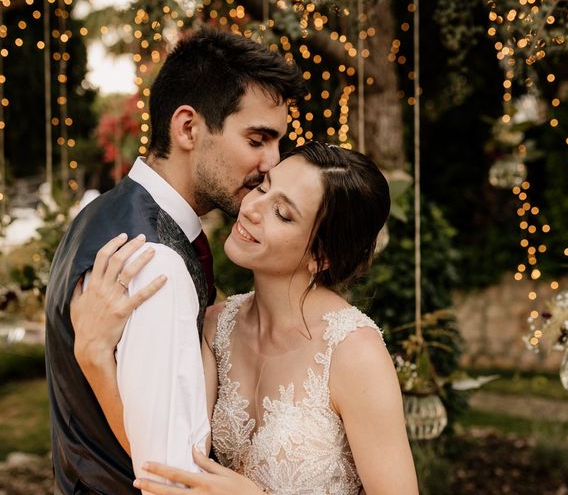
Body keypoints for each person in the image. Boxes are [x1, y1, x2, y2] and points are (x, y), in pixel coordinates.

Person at [44, 27, 306, 494]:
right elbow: (173, 480)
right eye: (257, 139)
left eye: (277, 143)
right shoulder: (155, 264)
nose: (273, 162)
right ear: (187, 128)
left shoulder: (102, 214)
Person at [73, 142, 419, 494]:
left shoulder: (354, 352)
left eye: (282, 213)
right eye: (263, 187)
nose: (252, 208)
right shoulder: (215, 327)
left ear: (322, 256)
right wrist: (93, 358)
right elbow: (165, 466)